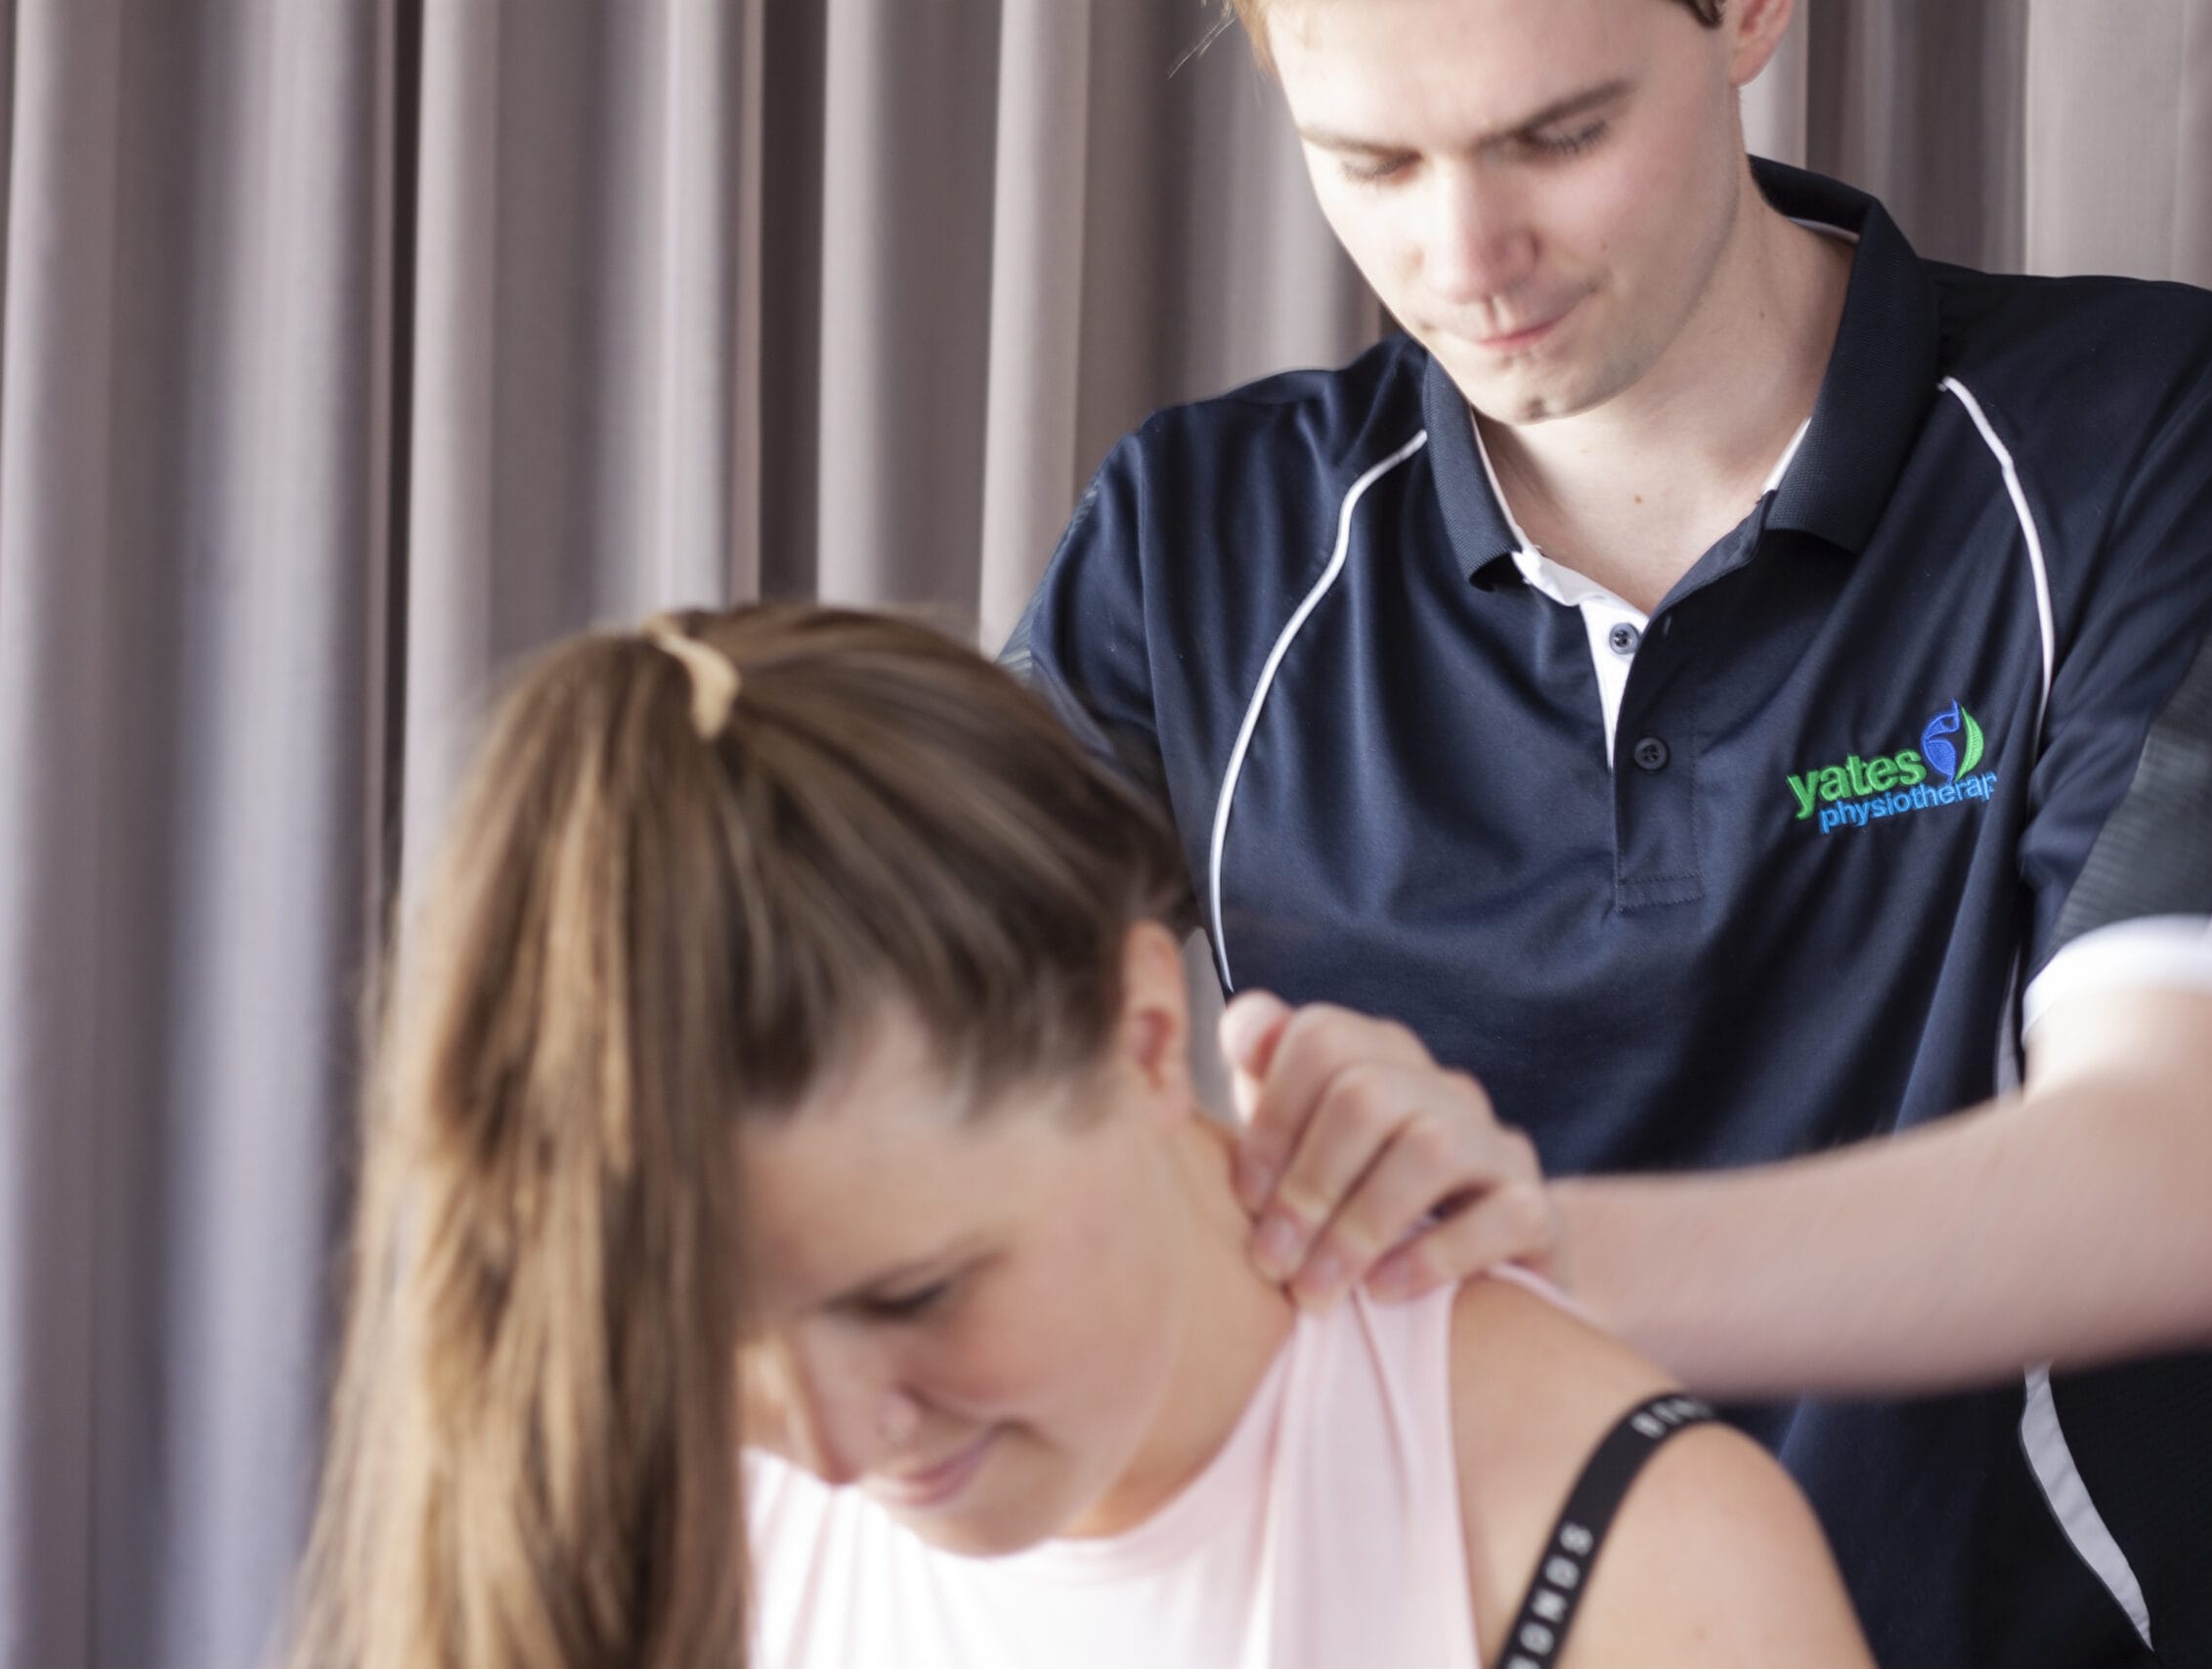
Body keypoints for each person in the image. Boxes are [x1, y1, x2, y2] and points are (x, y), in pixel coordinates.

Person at [1005, 0, 2212, 1661]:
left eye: (1559, 137)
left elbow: (2174, 1193)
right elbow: (913, 1057)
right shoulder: (1190, 541)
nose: (1469, 259)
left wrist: (1500, 1247)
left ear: (1746, 16)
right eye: (1369, 161)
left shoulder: (2136, 431)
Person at [283, 603, 1871, 1669]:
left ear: (1144, 1029)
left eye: (911, 1297)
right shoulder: (651, 1502)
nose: (833, 1444)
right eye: (708, 1332)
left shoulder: (1631, 1562)